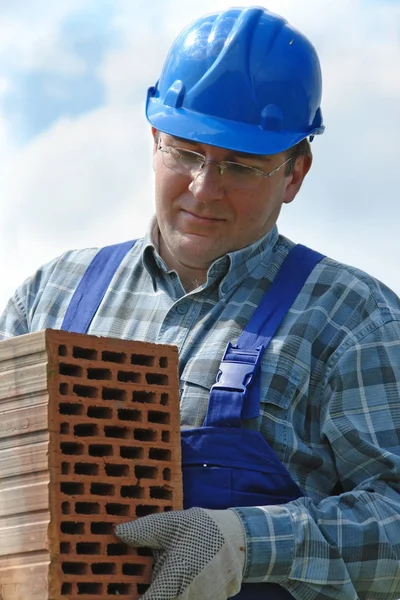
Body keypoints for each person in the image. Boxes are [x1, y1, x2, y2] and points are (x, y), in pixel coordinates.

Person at [1, 5, 399, 600]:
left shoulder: (352, 319)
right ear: (154, 138)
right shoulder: (50, 294)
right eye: (186, 152)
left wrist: (244, 542)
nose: (203, 188)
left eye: (239, 165)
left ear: (295, 173)